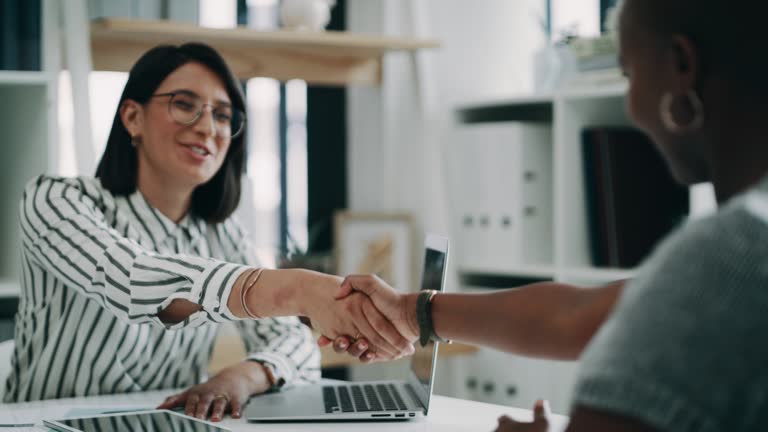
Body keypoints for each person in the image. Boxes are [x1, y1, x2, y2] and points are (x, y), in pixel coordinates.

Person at [328, 0, 768, 430]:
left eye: (628, 73)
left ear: (681, 65)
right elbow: (578, 314)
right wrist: (412, 311)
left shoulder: (724, 259)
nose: (632, 105)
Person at [5, 42, 412, 422]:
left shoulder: (221, 234)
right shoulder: (55, 200)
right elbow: (133, 281)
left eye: (222, 115)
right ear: (132, 116)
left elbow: (296, 342)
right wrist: (301, 289)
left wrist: (241, 377)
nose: (208, 127)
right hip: (42, 425)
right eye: (185, 105)